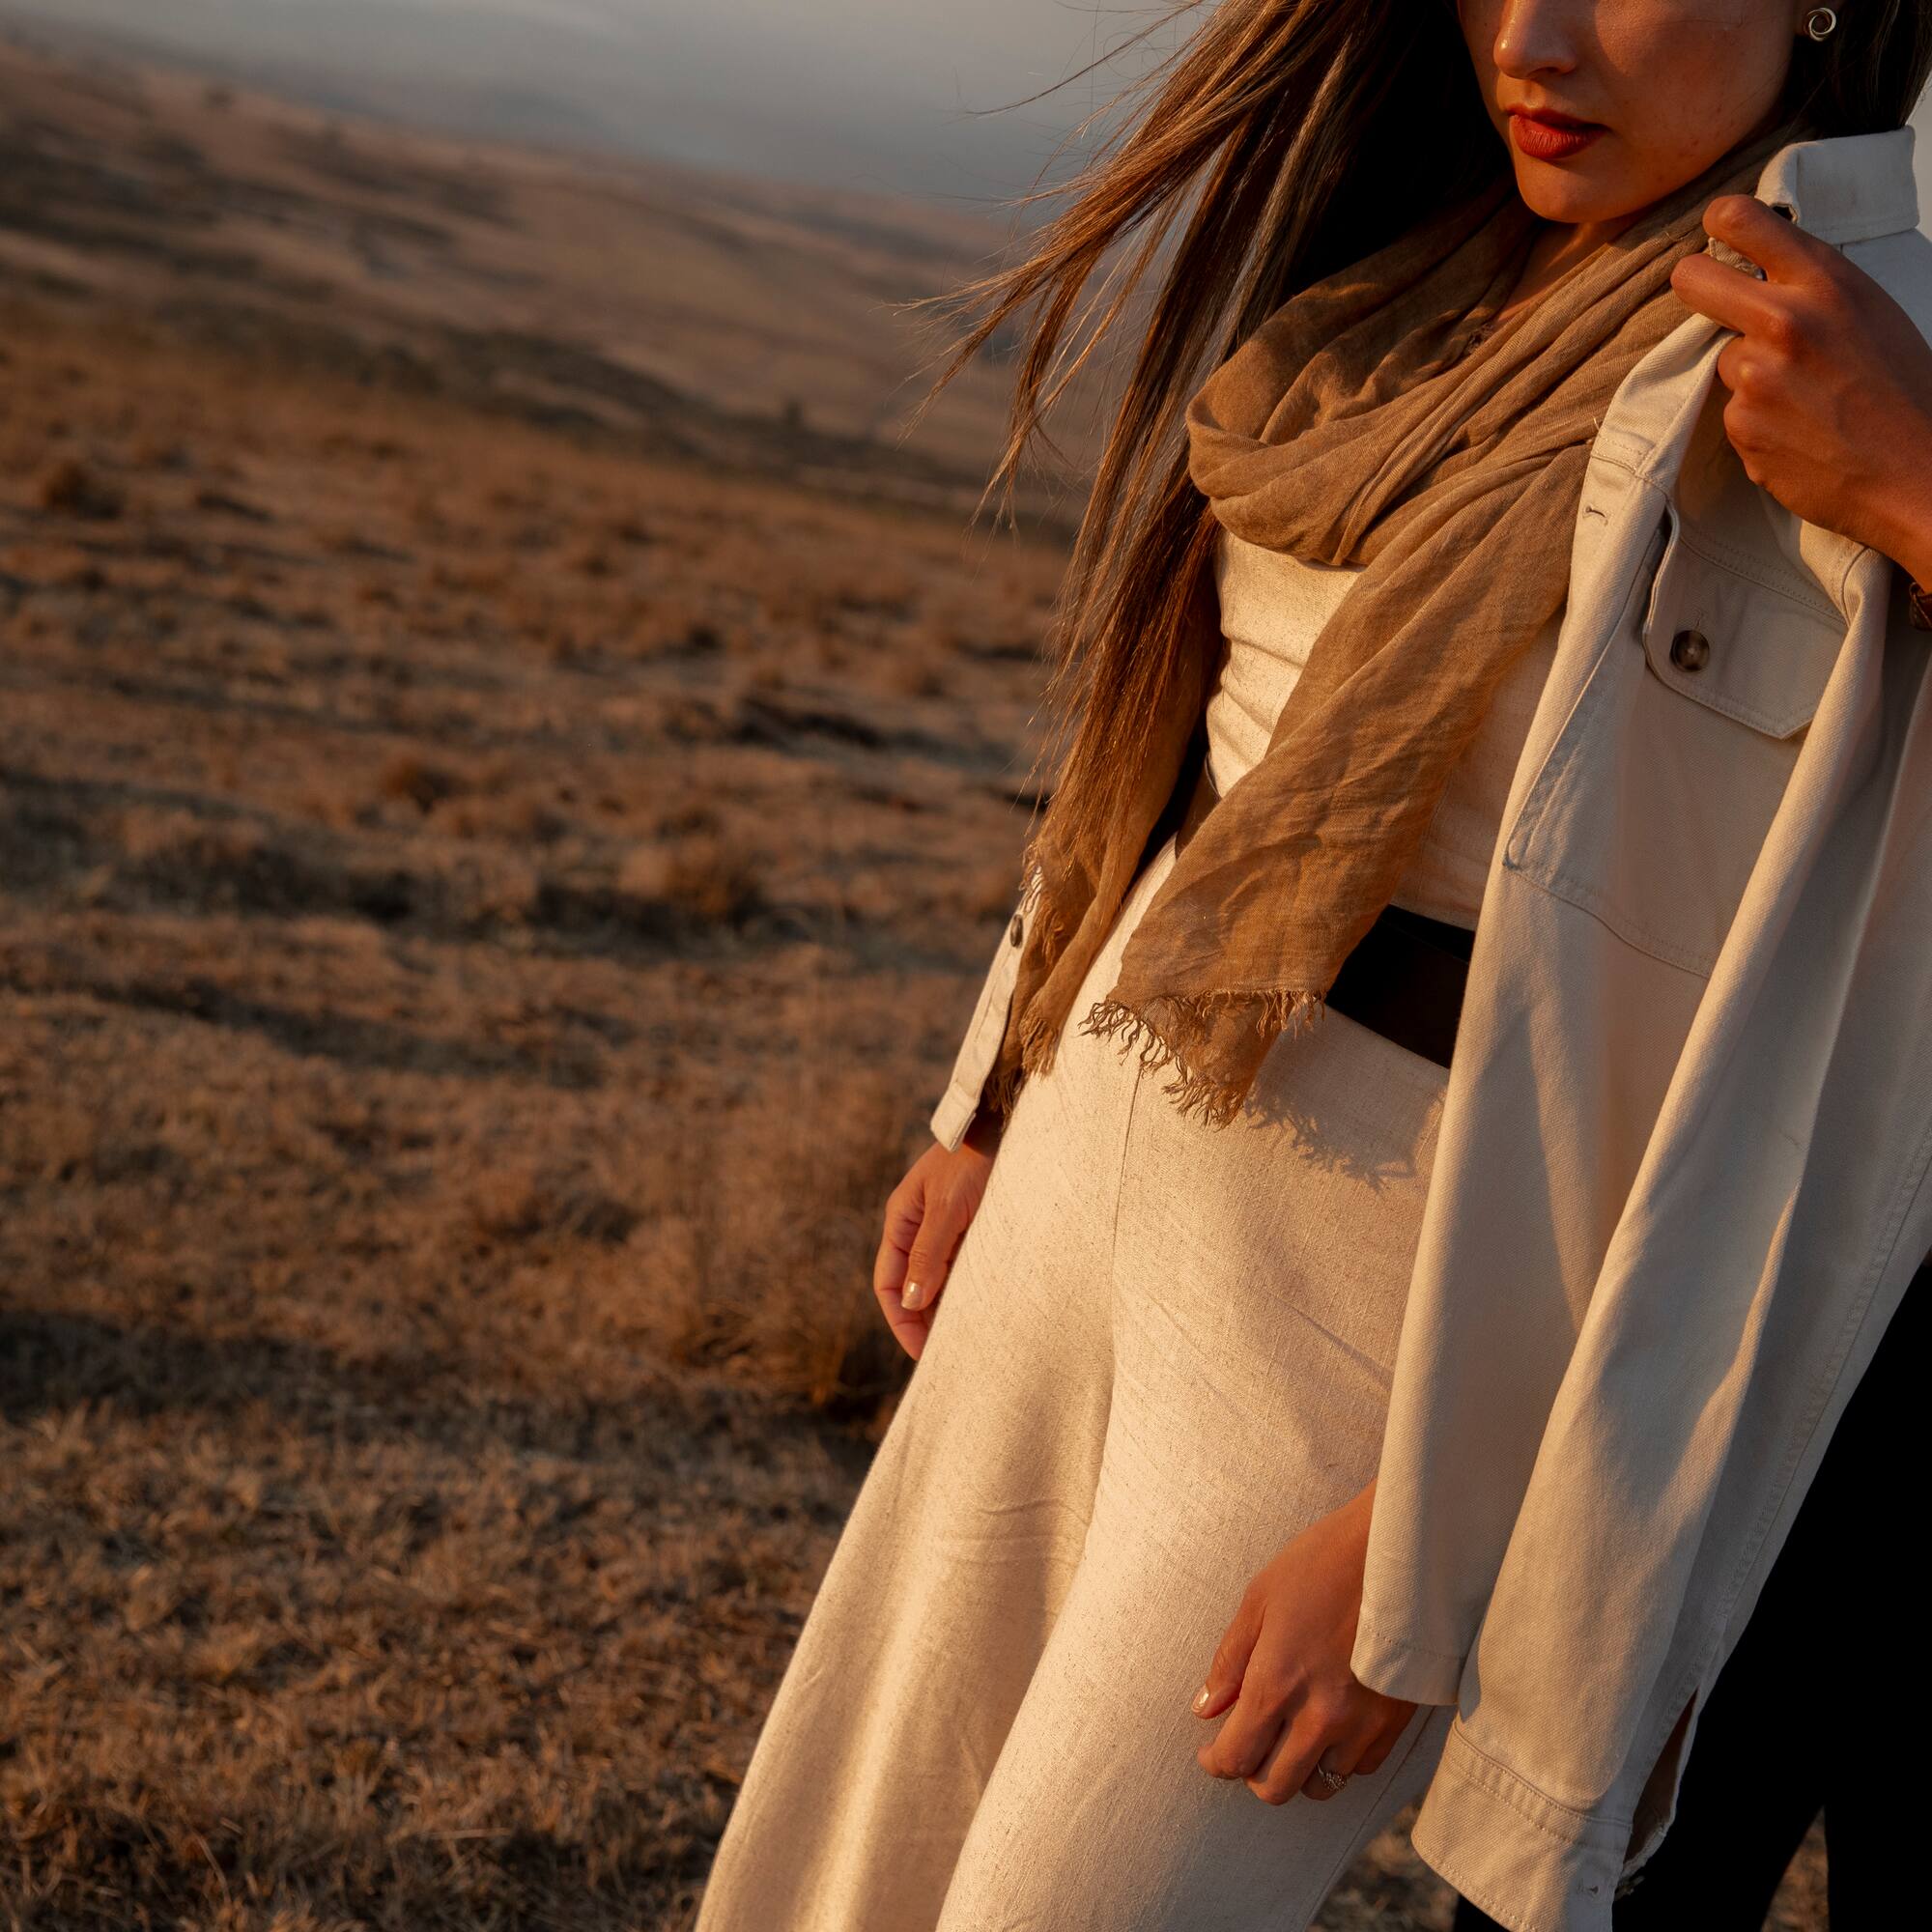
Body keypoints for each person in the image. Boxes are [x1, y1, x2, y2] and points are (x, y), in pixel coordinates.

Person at [694, 6, 1932, 1929]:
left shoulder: (1850, 369)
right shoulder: (1410, 283)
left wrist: (1445, 1529)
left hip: (1384, 1310)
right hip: (1111, 1139)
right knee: (842, 1866)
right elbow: (1191, 757)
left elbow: (1800, 1096)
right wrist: (996, 1095)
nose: (1530, 34)